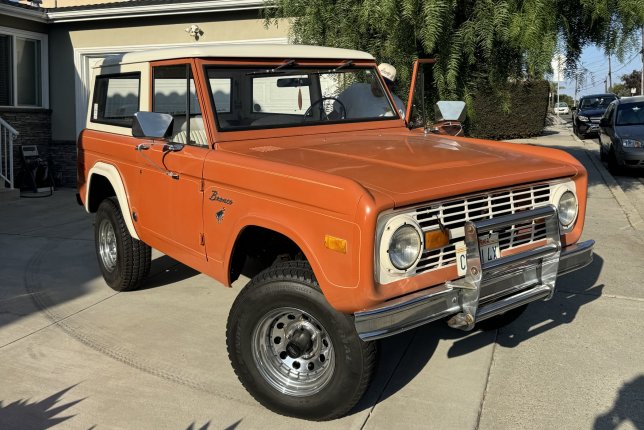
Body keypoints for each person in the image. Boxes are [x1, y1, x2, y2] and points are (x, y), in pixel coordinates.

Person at [334, 63, 405, 119]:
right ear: (373, 77)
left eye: (385, 83)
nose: (379, 85)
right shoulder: (355, 89)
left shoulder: (397, 105)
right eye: (378, 80)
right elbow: (336, 113)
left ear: (391, 86)